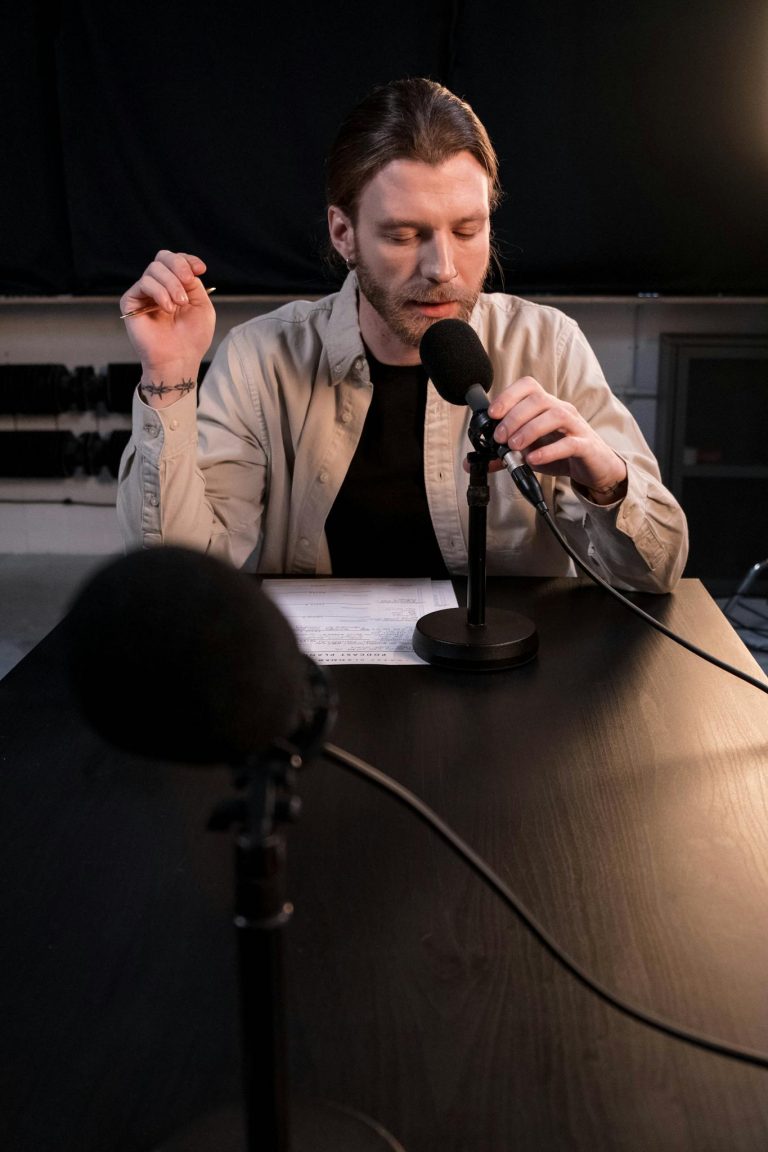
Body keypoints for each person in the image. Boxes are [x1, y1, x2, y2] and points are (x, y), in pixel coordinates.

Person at [116, 77, 688, 591]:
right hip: (325, 687)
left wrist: (607, 481)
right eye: (403, 235)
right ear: (344, 233)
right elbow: (178, 578)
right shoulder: (260, 360)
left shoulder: (548, 345)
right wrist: (167, 374)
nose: (442, 267)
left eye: (467, 230)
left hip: (509, 686)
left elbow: (657, 574)